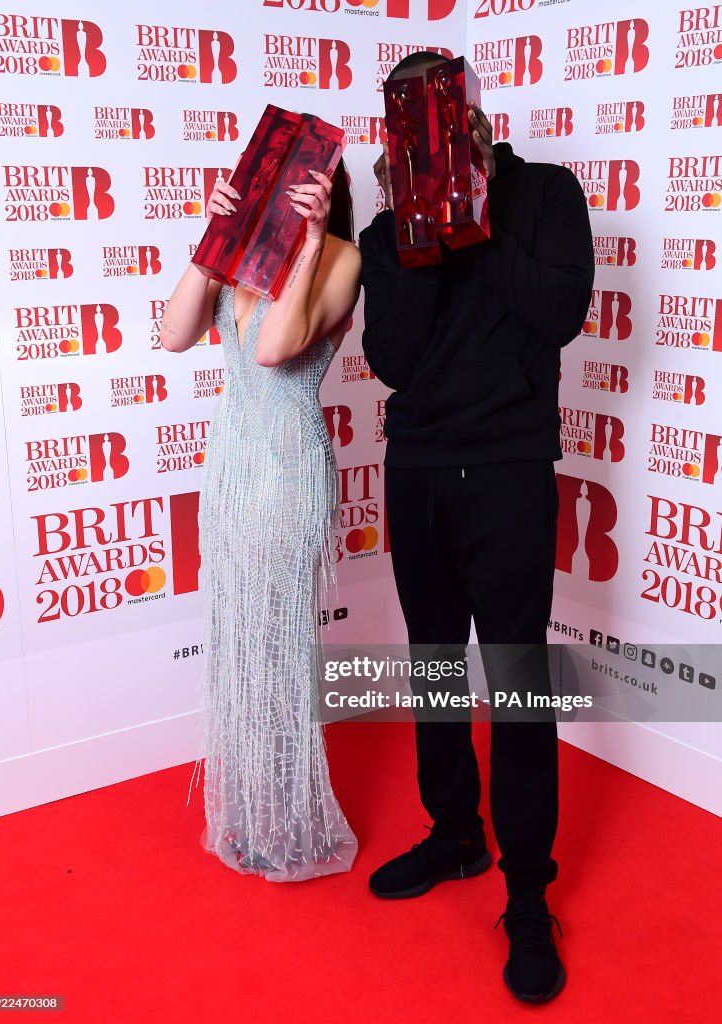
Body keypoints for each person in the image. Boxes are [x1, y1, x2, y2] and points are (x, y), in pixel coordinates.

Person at [359, 52, 594, 1002]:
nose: (424, 134)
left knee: (518, 679)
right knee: (432, 664)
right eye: (405, 125)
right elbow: (393, 360)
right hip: (416, 470)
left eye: (440, 119)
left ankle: (527, 895)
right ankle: (455, 835)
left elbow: (563, 312)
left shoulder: (544, 193)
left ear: (474, 117)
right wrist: (421, 227)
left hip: (507, 468)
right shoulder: (386, 228)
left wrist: (475, 215)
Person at [162, 156, 362, 881]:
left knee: (275, 648)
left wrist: (307, 244)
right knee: (238, 647)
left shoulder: (341, 258)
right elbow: (174, 333)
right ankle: (249, 816)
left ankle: (291, 826)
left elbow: (275, 351)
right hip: (230, 468)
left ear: (323, 191)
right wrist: (215, 234)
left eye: (298, 181)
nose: (278, 191)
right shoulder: (237, 250)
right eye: (268, 176)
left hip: (286, 471)